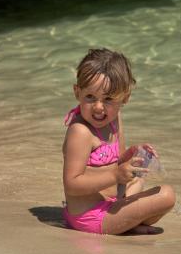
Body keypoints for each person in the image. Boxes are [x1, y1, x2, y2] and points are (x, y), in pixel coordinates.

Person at [62, 48, 175, 235]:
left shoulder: (114, 119)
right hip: (89, 216)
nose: (98, 107)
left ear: (125, 98)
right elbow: (72, 185)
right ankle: (127, 223)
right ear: (77, 92)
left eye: (108, 99)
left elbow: (118, 162)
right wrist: (115, 176)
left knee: (138, 180)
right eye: (90, 97)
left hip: (113, 201)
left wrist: (132, 154)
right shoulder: (80, 132)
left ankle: (127, 221)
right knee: (166, 195)